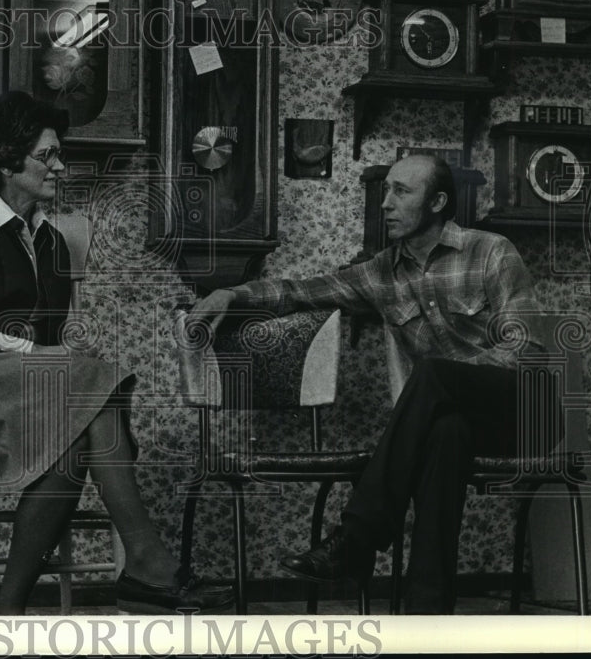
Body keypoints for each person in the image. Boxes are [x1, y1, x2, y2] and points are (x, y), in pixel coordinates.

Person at [0, 91, 233, 615]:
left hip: (20, 391)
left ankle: (7, 614)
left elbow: (57, 346)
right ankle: (146, 561)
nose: (60, 166)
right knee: (89, 381)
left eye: (59, 154)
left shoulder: (52, 243)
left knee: (74, 439)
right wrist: (35, 349)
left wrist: (58, 358)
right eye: (47, 155)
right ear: (8, 161)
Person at [188, 154, 551, 614]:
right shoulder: (382, 273)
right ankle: (427, 614)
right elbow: (302, 291)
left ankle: (357, 538)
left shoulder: (492, 251)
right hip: (459, 417)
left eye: (402, 191)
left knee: (435, 376)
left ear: (438, 201)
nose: (386, 203)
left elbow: (525, 352)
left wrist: (454, 381)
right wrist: (233, 293)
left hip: (524, 409)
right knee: (446, 433)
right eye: (386, 191)